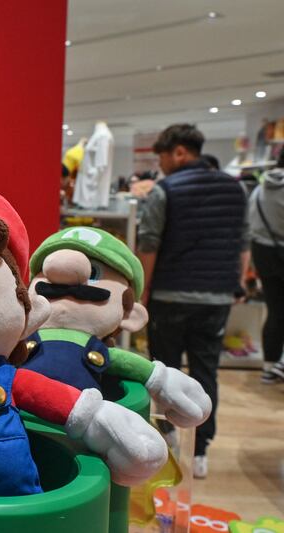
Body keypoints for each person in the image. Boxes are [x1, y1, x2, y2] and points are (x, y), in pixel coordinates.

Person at [138, 124, 248, 479]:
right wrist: (235, 285)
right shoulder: (236, 189)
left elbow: (150, 245)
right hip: (216, 297)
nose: (162, 164)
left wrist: (142, 293)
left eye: (163, 156)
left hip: (171, 295)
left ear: (180, 152)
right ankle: (200, 450)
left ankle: (170, 436)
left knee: (165, 372)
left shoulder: (165, 190)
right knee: (205, 371)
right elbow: (243, 242)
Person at [250, 150, 284, 384]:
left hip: (263, 251)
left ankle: (269, 366)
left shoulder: (260, 188)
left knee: (275, 311)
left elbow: (251, 221)